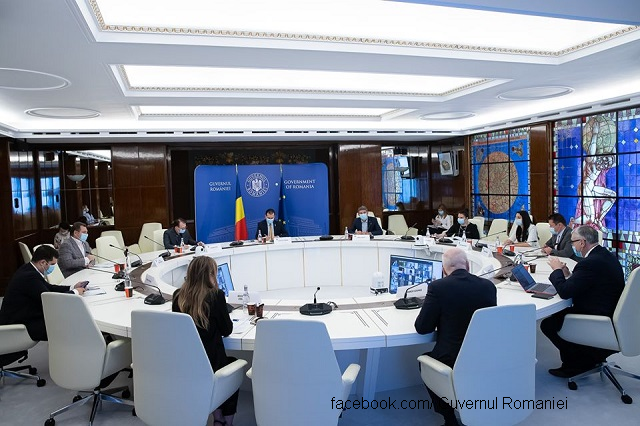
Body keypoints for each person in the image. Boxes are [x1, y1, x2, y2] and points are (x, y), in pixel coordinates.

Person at [415, 248, 497, 426]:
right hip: (484, 357)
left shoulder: (438, 287)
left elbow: (422, 328)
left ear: (444, 270)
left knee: (425, 362)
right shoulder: (488, 286)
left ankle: (449, 419)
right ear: (467, 265)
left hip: (451, 359)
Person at [541, 225, 624, 378]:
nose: (572, 245)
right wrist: (568, 274)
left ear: (582, 242)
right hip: (614, 311)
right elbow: (589, 280)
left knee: (548, 324)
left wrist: (557, 270)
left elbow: (565, 292)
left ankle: (577, 364)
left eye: (573, 242)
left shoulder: (589, 263)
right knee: (559, 316)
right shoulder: (604, 255)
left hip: (599, 315)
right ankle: (588, 356)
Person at [172, 256, 239, 426]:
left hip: (187, 364)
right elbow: (227, 330)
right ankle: (226, 422)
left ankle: (217, 418)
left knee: (218, 370)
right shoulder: (216, 295)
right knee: (232, 368)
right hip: (213, 363)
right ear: (210, 274)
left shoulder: (177, 296)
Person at [0, 246, 86, 341]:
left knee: (66, 318)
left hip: (25, 315)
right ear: (43, 263)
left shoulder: (29, 268)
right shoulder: (30, 277)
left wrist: (72, 287)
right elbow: (49, 301)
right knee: (68, 324)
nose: (53, 267)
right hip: (21, 324)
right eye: (52, 264)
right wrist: (75, 292)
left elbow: (49, 287)